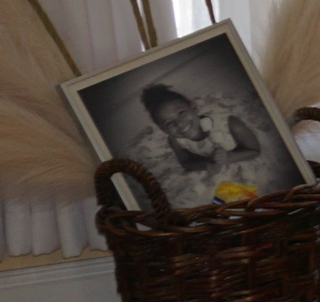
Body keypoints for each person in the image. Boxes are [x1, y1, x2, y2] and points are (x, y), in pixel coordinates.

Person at [125, 82, 293, 208]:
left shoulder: (227, 123)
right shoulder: (175, 140)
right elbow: (186, 162)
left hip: (241, 158)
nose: (179, 123)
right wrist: (204, 164)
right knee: (199, 200)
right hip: (215, 168)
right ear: (162, 128)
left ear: (194, 108)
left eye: (181, 113)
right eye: (169, 123)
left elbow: (254, 150)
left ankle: (252, 213)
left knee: (250, 196)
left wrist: (228, 157)